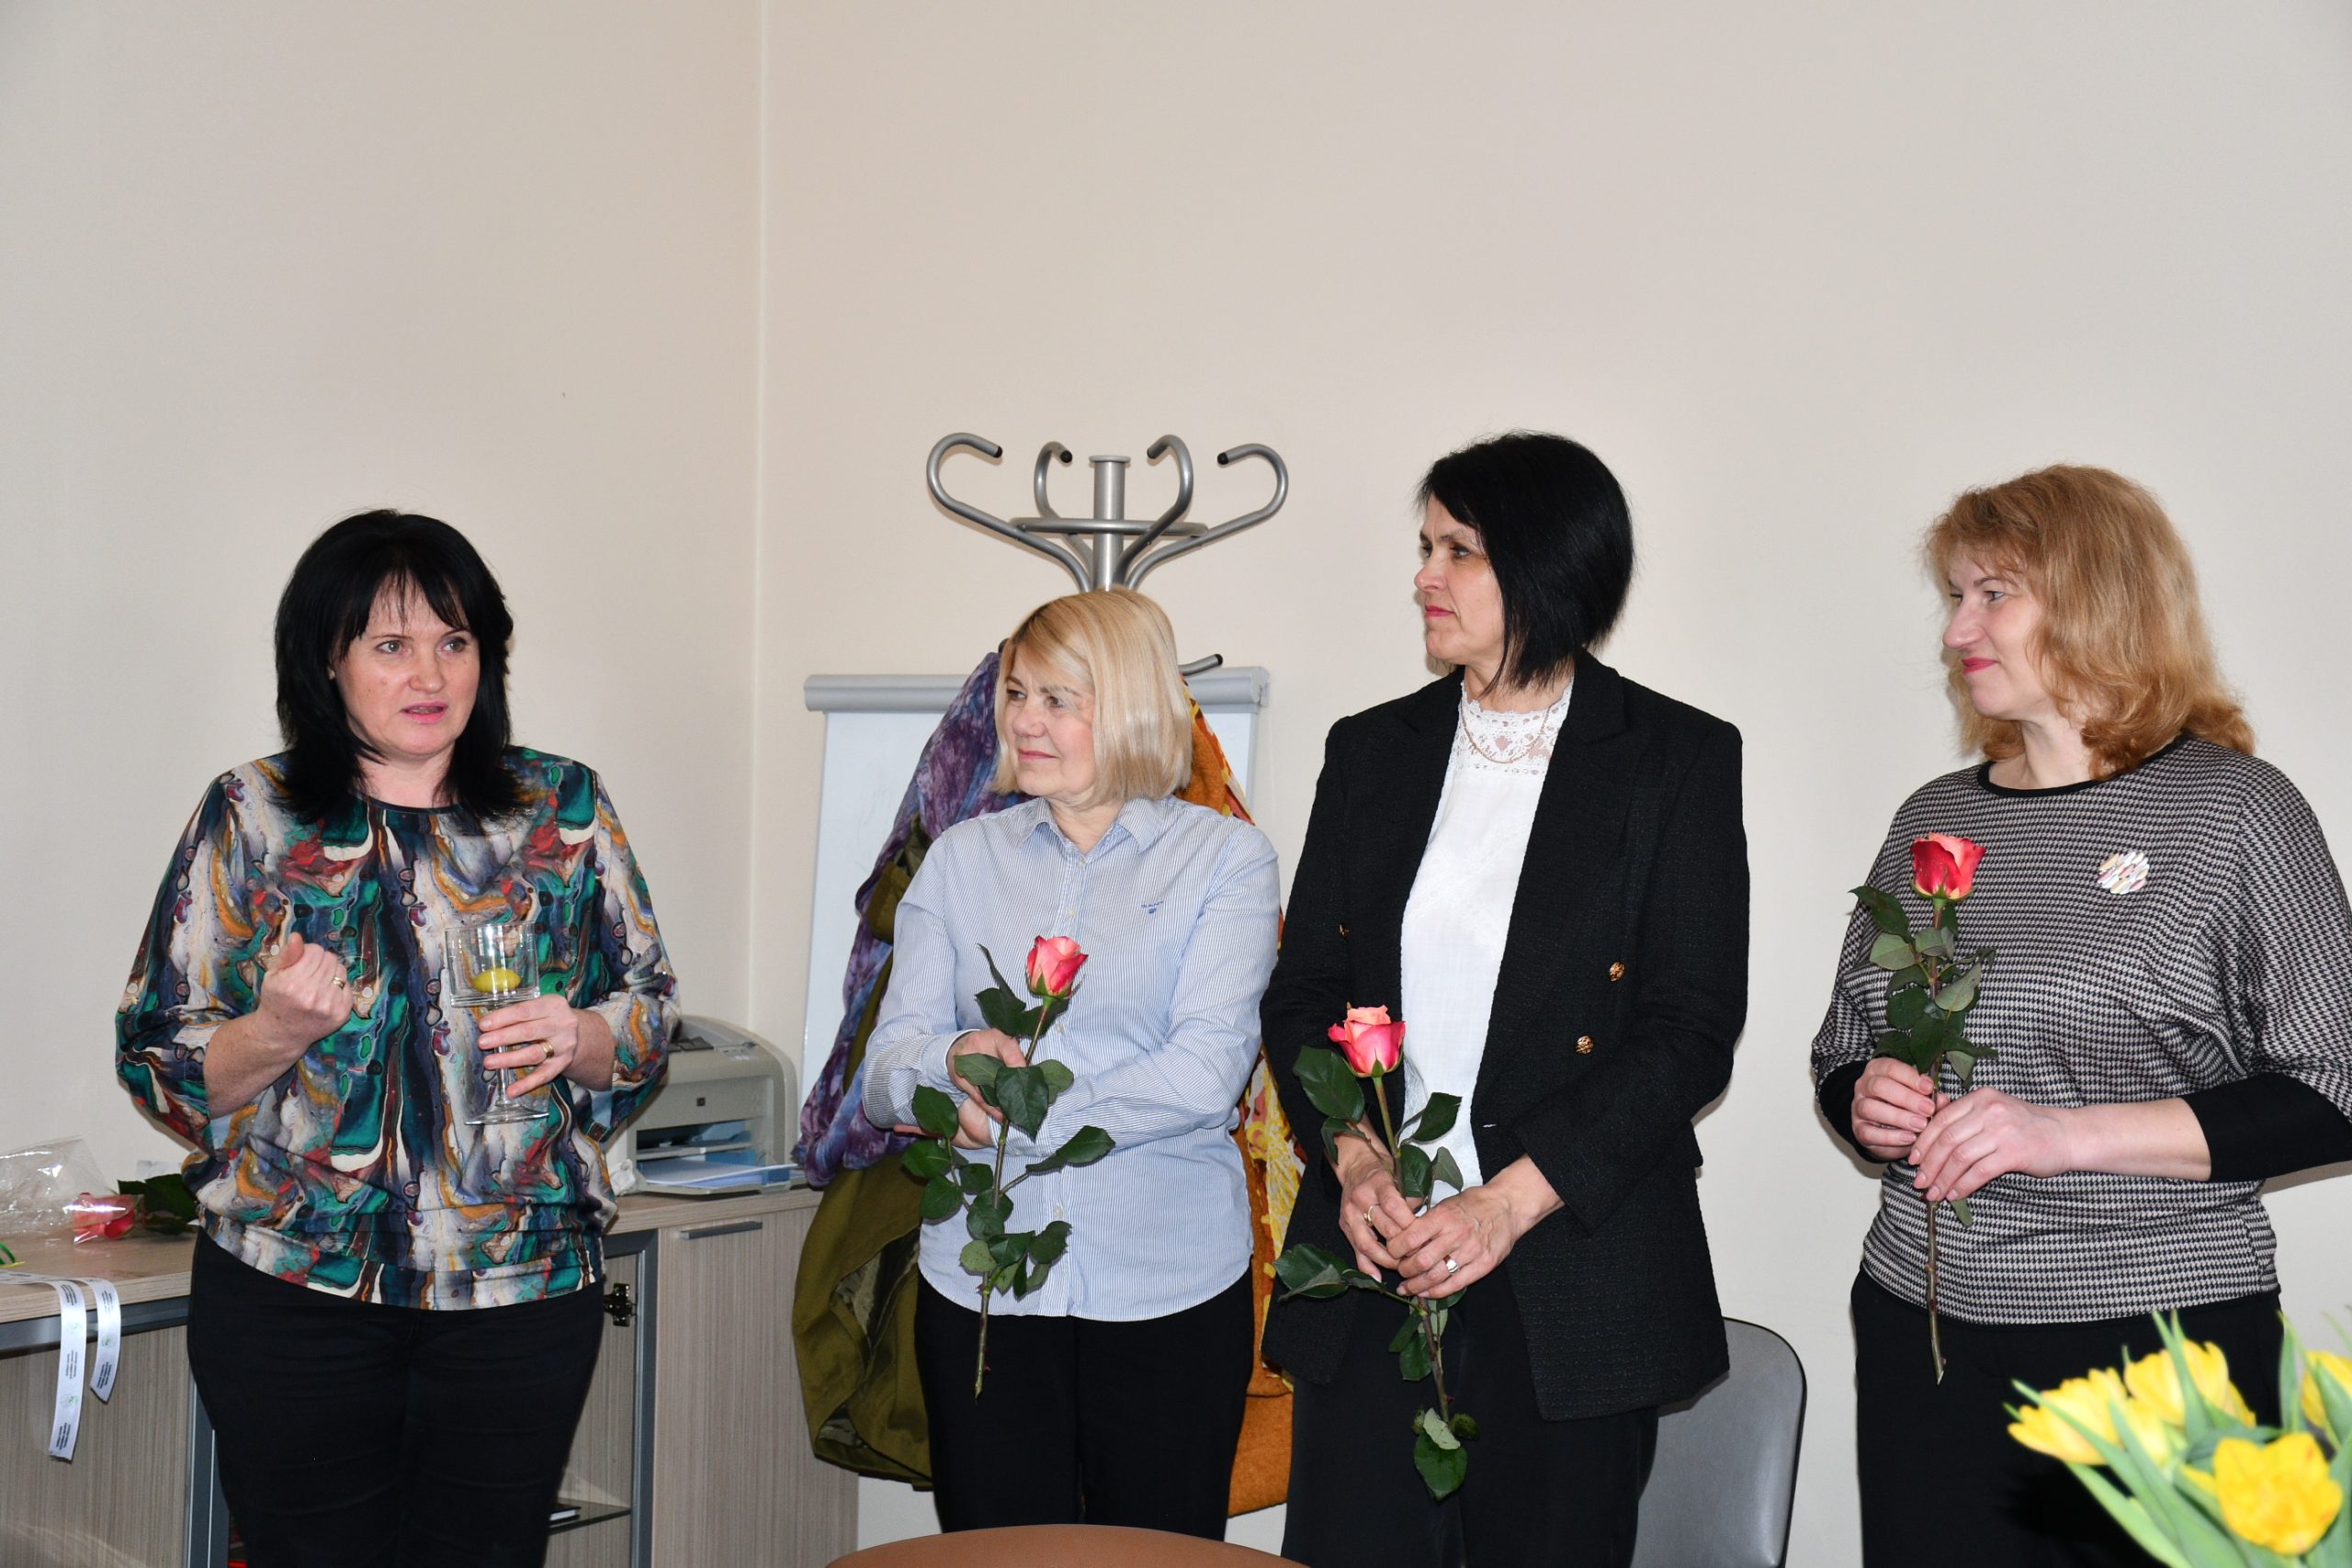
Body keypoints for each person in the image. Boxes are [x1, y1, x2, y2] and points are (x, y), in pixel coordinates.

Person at [1811, 465, 2352, 1567]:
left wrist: (2062, 1136)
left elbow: (2331, 1089)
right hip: (1926, 1327)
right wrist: (1864, 1097)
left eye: (1993, 594)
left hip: (2155, 1348)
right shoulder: (1934, 819)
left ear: (2097, 600)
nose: (1957, 629)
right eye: (1954, 596)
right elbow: (1844, 1042)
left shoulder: (2236, 811)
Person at [116, 511, 677, 1568]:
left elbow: (649, 1013)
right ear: (325, 660)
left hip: (519, 1290)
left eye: (454, 641)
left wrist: (586, 1034)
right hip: (297, 1293)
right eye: (390, 644)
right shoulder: (255, 814)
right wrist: (276, 1030)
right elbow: (157, 1060)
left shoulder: (562, 807)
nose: (430, 673)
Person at [1262, 431, 1748, 1568]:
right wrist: (1355, 1160)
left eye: (1457, 550)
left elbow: (1688, 1031)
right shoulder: (1371, 750)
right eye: (1424, 546)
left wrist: (1505, 1204)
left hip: (1572, 1267)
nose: (1423, 576)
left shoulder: (1673, 756)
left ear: (1545, 567)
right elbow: (1305, 993)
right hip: (1375, 1259)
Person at [860, 587, 1281, 1538]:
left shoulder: (1226, 860)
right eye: (1017, 693)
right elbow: (884, 1073)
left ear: (1129, 702)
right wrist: (948, 1058)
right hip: (981, 1295)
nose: (1024, 720)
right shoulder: (960, 860)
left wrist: (1020, 1106)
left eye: (1058, 698)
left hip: (1168, 1291)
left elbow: (1204, 1074)